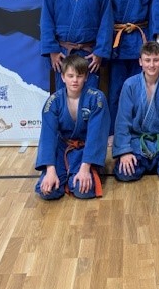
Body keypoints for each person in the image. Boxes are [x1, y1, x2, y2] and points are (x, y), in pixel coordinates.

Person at [35, 55, 110, 200]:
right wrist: (50, 170)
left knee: (83, 190)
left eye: (79, 76)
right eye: (70, 76)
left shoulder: (96, 98)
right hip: (62, 149)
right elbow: (47, 136)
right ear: (63, 77)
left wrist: (85, 168)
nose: (75, 80)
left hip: (85, 150)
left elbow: (96, 135)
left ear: (86, 77)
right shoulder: (53, 101)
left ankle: (80, 173)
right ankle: (60, 175)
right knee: (48, 191)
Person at [41, 0, 114, 90]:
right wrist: (52, 50)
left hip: (89, 54)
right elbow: (46, 21)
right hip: (63, 53)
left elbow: (106, 24)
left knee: (90, 95)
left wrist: (99, 52)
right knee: (64, 94)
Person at [103, 0, 155, 140]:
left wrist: (152, 43)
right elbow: (104, 16)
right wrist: (105, 44)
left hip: (140, 40)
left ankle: (138, 130)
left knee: (141, 88)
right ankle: (114, 131)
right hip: (118, 42)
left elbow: (153, 14)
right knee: (116, 89)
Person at [112, 41, 159, 181]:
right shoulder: (130, 85)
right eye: (147, 60)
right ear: (140, 62)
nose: (151, 65)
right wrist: (124, 152)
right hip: (137, 141)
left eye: (156, 60)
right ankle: (148, 163)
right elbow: (122, 121)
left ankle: (153, 163)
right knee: (125, 173)